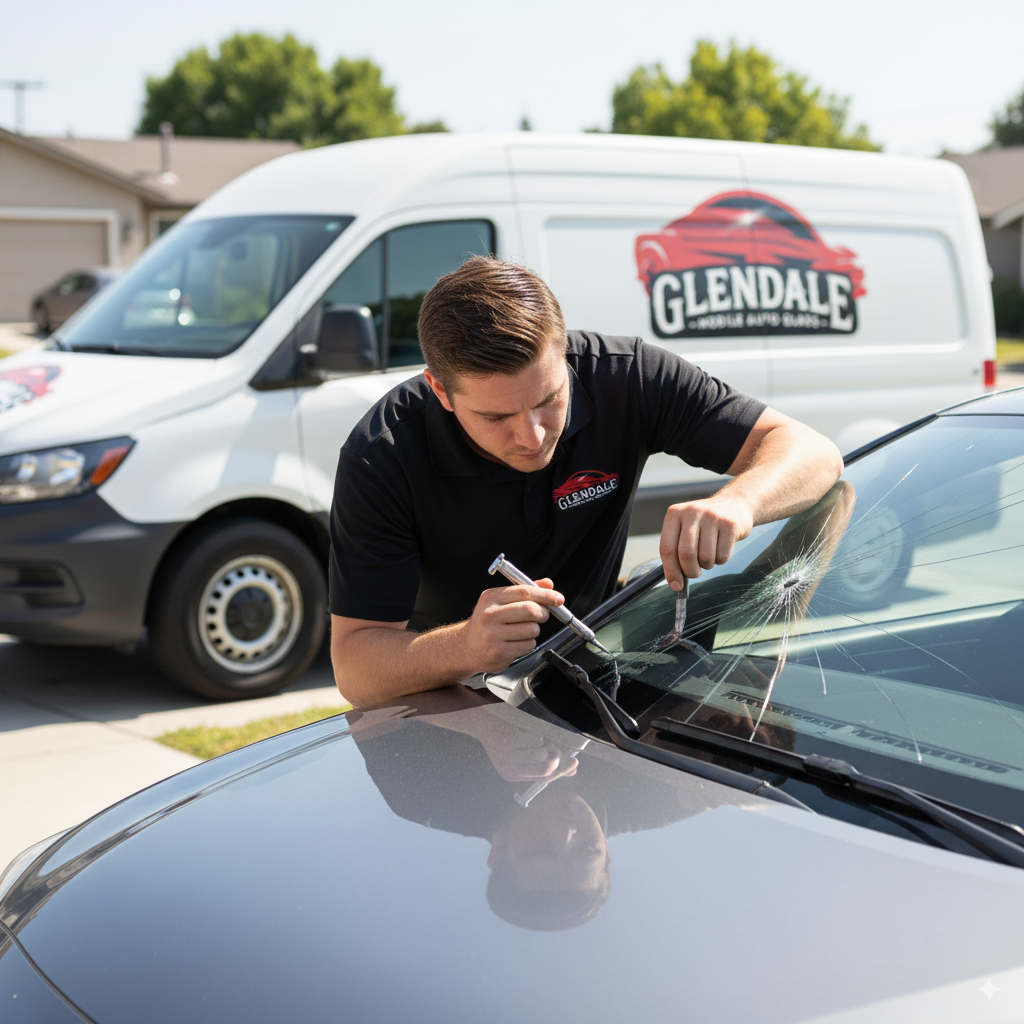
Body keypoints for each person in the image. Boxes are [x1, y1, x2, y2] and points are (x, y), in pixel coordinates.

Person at [331, 257, 843, 707]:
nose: (531, 435)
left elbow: (816, 454)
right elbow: (355, 669)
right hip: (456, 699)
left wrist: (740, 502)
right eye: (495, 418)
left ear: (565, 354)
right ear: (440, 390)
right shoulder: (382, 455)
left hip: (596, 667)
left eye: (549, 399)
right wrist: (465, 645)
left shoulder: (628, 376)